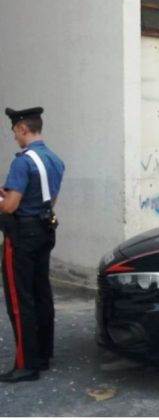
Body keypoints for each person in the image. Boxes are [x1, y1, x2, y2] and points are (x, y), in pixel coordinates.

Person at [0, 107, 65, 382]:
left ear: (23, 128)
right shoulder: (55, 159)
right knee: (41, 293)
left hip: (22, 236)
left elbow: (11, 206)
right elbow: (50, 200)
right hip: (44, 230)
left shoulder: (22, 162)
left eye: (15, 131)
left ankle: (27, 364)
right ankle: (43, 354)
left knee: (19, 299)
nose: (14, 136)